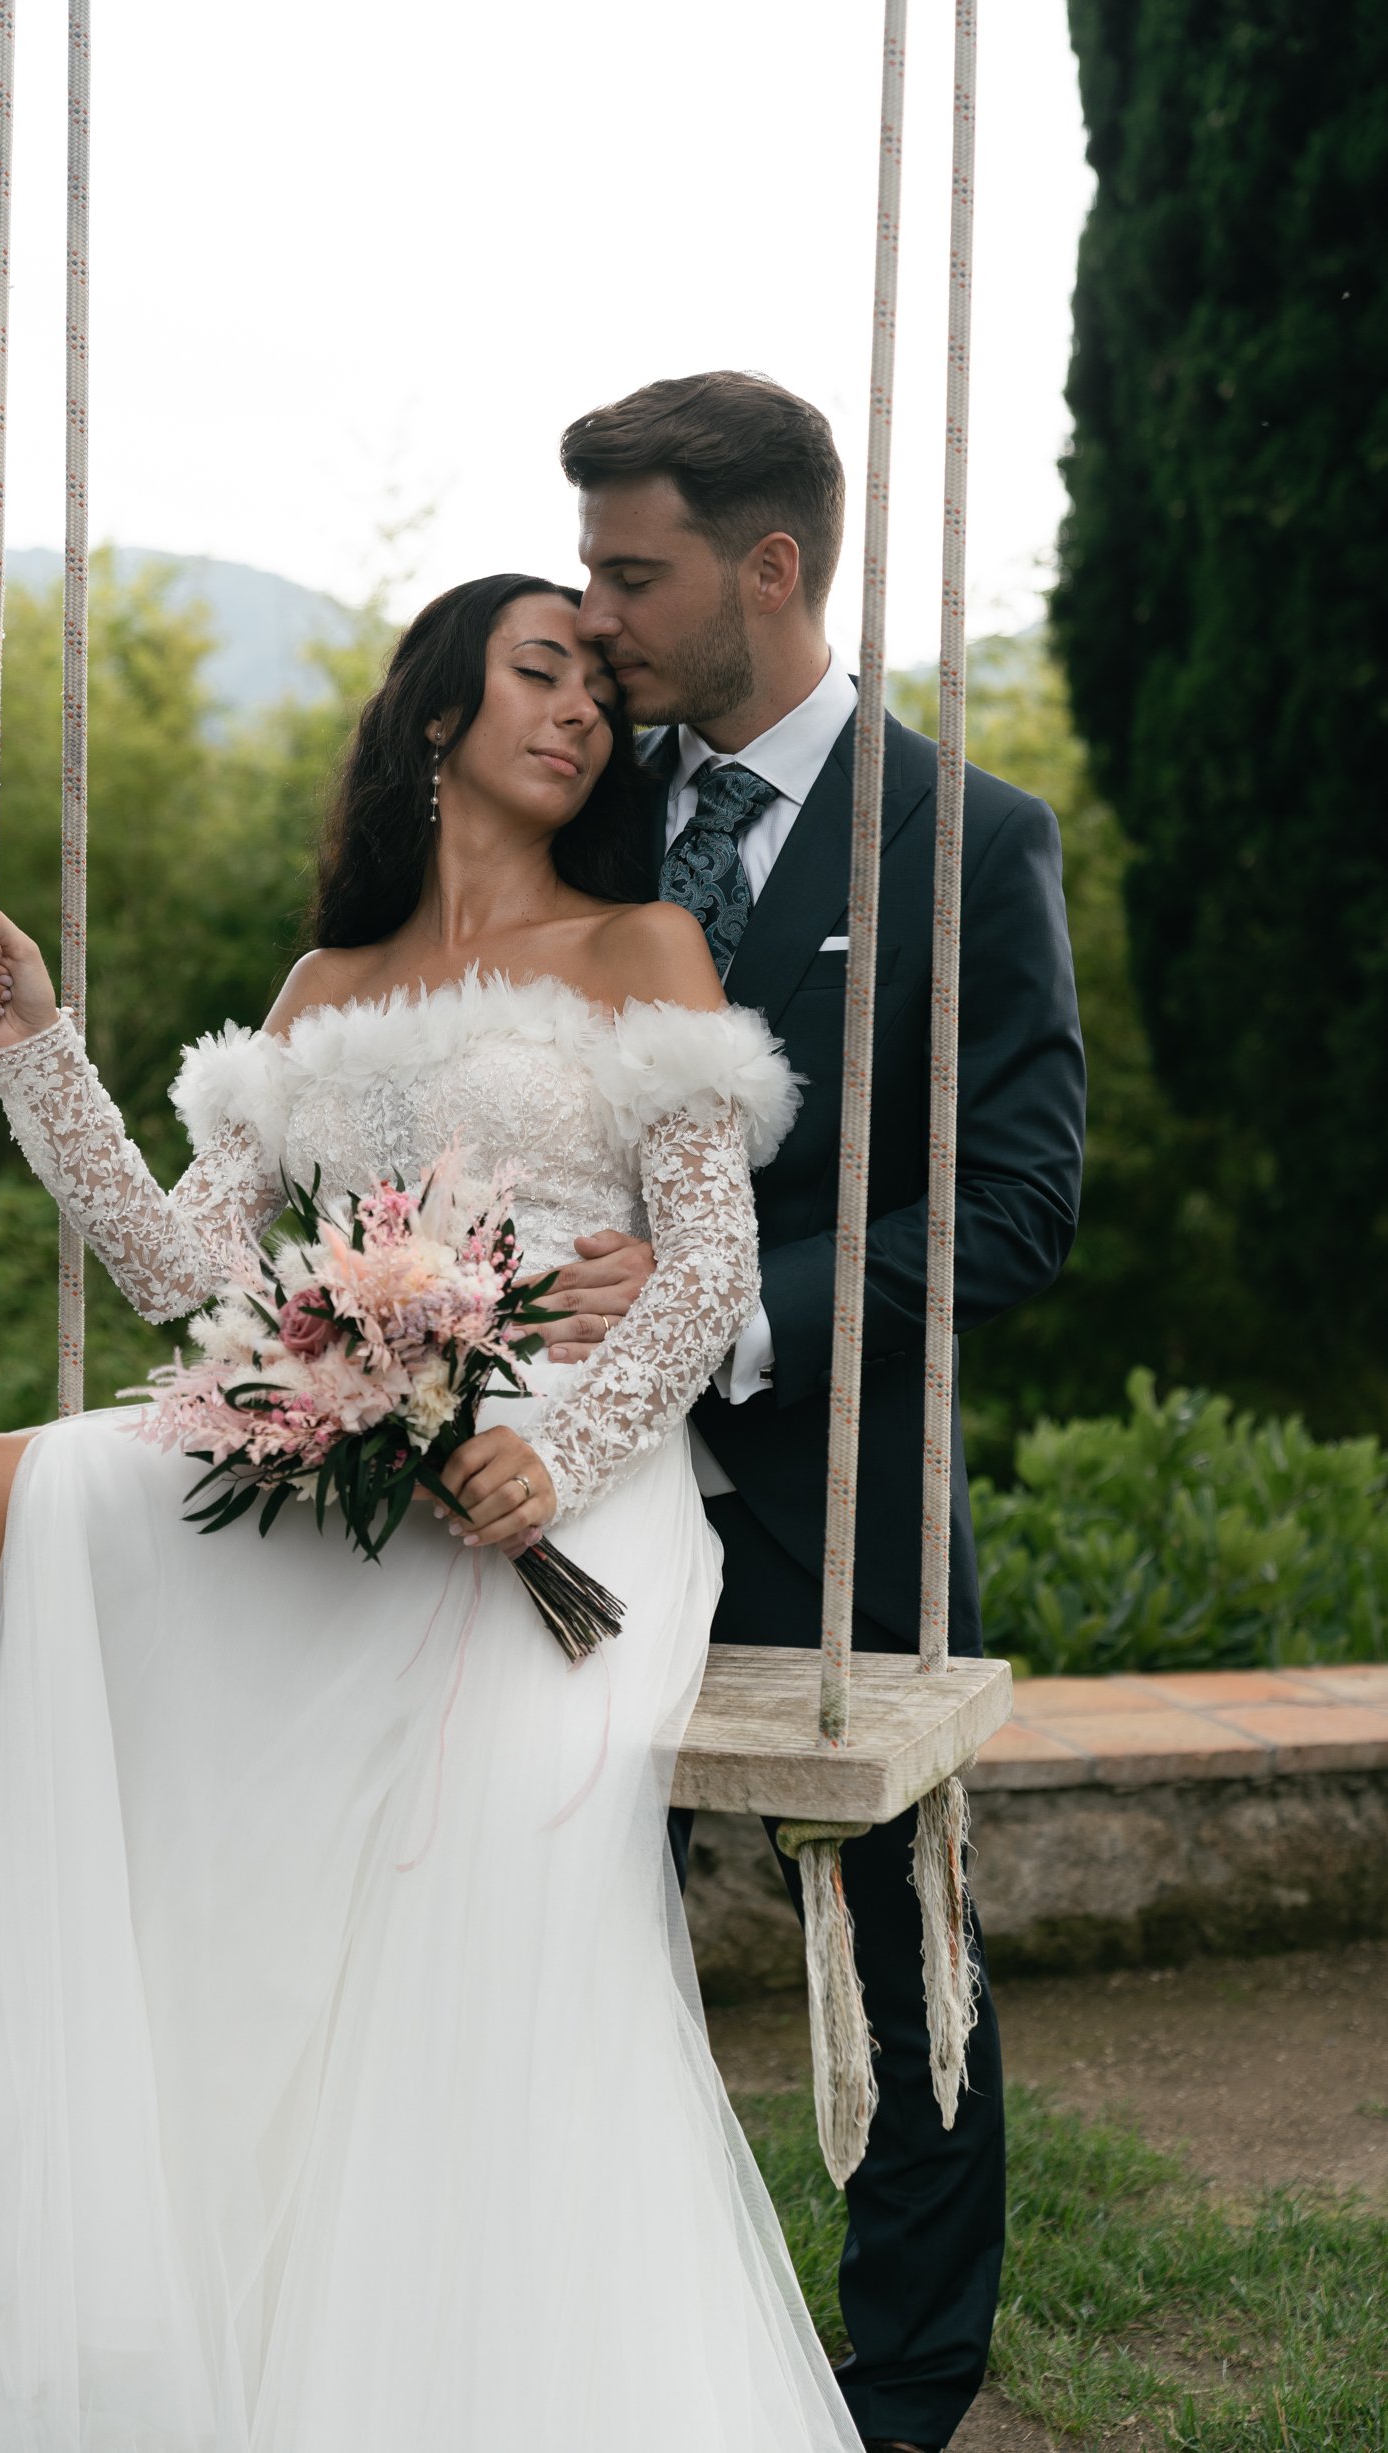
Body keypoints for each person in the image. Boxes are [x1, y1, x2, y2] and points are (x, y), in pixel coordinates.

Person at [0, 574, 866, 2452]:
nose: (581, 711)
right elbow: (186, 1260)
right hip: (329, 1434)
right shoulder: (324, 993)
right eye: (541, 672)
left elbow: (702, 1277)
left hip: (557, 1493)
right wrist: (39, 1042)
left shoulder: (641, 947)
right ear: (437, 715)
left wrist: (557, 1457)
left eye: (601, 688)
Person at [539, 372, 1087, 2453]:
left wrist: (721, 1315)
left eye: (632, 570)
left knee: (898, 1962)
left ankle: (906, 2397)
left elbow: (1018, 1206)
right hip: (548, 1503)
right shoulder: (582, 796)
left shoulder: (966, 839)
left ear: (767, 566)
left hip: (824, 1489)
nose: (595, 618)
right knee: (532, 1919)